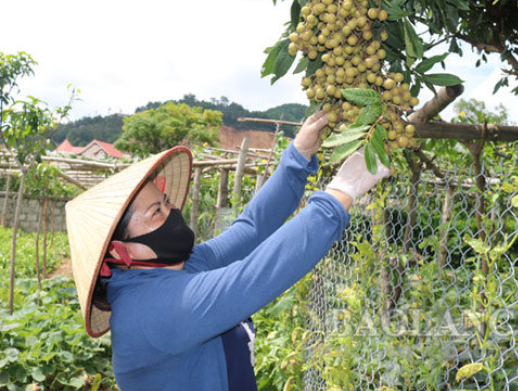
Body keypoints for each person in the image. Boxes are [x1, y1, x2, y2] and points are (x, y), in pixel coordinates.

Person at [65, 110, 390, 391]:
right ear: (122, 253)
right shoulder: (151, 312)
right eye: (156, 213)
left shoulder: (182, 267)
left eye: (165, 203)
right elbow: (250, 279)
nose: (172, 213)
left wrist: (297, 157)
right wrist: (339, 195)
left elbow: (249, 230)